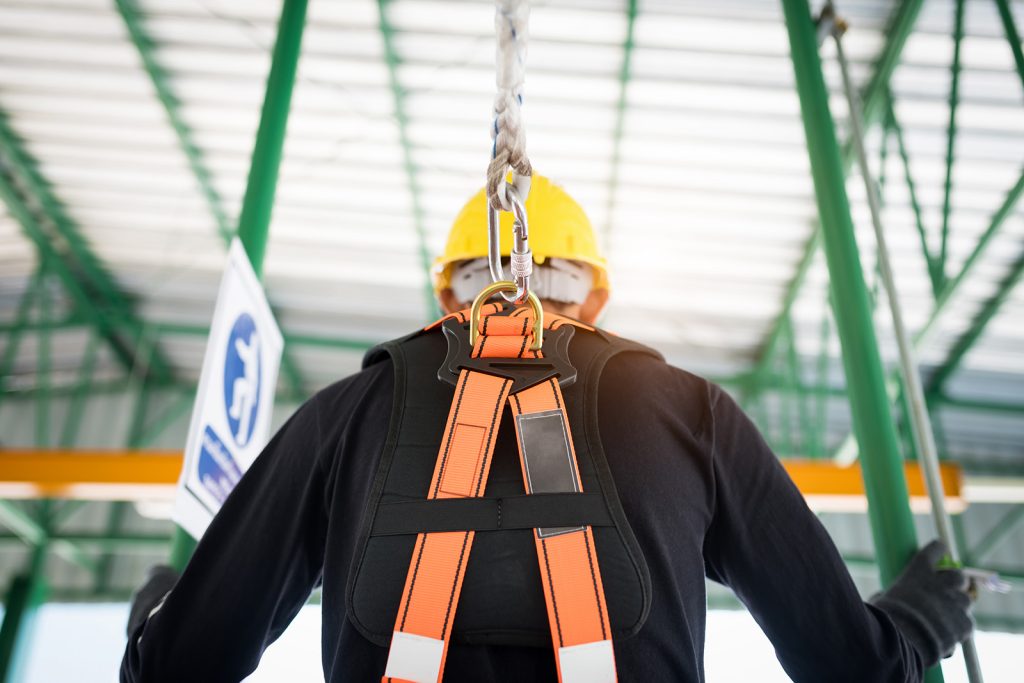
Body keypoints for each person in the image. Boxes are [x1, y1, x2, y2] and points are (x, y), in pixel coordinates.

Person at [121, 175, 973, 682]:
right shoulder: (691, 413)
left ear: (448, 294)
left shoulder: (342, 418)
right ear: (595, 295)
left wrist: (158, 606)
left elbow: (181, 669)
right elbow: (852, 667)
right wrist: (924, 614)